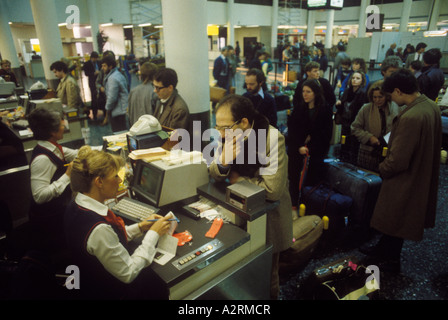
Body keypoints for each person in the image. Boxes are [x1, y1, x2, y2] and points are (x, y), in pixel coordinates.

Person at [209, 94, 292, 300]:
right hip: (237, 212)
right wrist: (224, 164)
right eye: (217, 127)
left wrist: (238, 180)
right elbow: (213, 170)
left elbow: (272, 190)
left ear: (244, 122)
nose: (220, 133)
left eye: (224, 127)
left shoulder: (271, 139)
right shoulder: (228, 135)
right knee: (242, 270)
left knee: (267, 273)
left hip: (267, 218)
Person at [361, 69, 442, 273]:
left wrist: (382, 168)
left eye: (390, 95)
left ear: (398, 91)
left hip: (405, 177)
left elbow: (398, 158)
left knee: (395, 216)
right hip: (420, 174)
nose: (391, 100)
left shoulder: (411, 116)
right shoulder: (430, 106)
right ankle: (384, 250)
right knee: (399, 220)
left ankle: (390, 260)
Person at [65, 145, 171, 299]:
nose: (120, 180)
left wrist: (141, 227)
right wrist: (153, 235)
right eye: (115, 176)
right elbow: (128, 272)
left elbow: (110, 241)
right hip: (111, 291)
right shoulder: (98, 229)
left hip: (90, 280)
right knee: (160, 286)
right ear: (99, 182)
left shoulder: (77, 204)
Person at [27, 108, 78, 257]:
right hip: (49, 221)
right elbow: (39, 196)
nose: (64, 126)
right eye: (61, 125)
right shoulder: (42, 159)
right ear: (52, 132)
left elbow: (76, 154)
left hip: (59, 210)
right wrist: (67, 176)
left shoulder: (54, 147)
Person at [288, 79, 333, 208]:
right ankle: (294, 203)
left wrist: (310, 149)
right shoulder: (299, 108)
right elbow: (292, 131)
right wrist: (298, 147)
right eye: (303, 91)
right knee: (294, 178)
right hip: (297, 151)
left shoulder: (325, 110)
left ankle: (308, 204)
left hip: (315, 152)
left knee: (311, 180)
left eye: (308, 92)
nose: (305, 94)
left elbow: (325, 135)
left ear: (316, 93)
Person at [351, 80, 399, 172]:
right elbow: (355, 128)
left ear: (386, 96)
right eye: (375, 97)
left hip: (388, 152)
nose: (377, 100)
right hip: (368, 152)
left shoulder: (395, 108)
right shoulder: (366, 108)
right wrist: (369, 137)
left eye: (380, 97)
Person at [335, 71, 368, 164]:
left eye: (358, 78)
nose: (354, 80)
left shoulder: (363, 93)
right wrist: (338, 103)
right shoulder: (347, 91)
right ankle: (342, 160)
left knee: (353, 144)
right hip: (345, 120)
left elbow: (361, 109)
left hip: (355, 121)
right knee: (344, 141)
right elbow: (342, 105)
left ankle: (351, 163)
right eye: (353, 78)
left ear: (362, 81)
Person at [101, 55, 129, 132]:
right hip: (122, 110)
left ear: (110, 66)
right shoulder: (118, 74)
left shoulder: (112, 78)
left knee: (119, 135)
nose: (102, 68)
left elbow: (112, 98)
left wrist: (107, 112)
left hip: (118, 113)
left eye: (104, 66)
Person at [127, 62, 158, 126]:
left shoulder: (133, 91)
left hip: (135, 129)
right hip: (150, 131)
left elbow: (129, 113)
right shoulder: (154, 92)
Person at [82, 51, 101, 121]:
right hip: (92, 82)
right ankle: (94, 114)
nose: (95, 60)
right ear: (91, 58)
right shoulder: (87, 64)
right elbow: (86, 73)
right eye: (94, 58)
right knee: (94, 98)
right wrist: (93, 73)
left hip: (100, 82)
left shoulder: (99, 62)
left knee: (102, 97)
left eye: (96, 58)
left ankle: (104, 114)